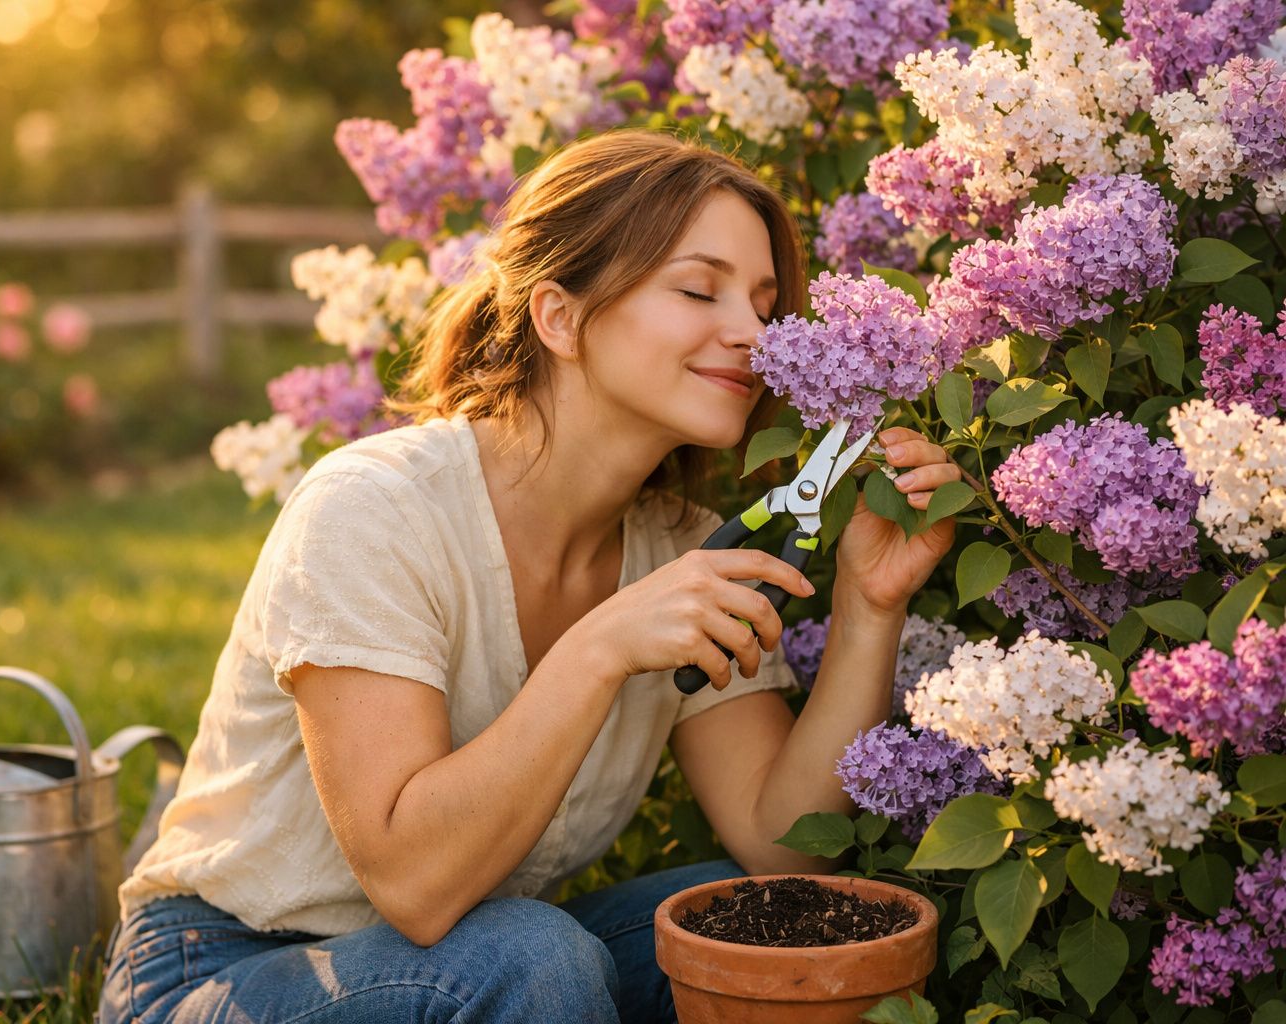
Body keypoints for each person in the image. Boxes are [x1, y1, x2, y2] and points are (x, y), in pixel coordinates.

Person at [99, 128, 961, 1024]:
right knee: (532, 956)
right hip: (227, 972)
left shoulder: (682, 548)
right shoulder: (372, 509)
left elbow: (788, 848)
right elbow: (417, 885)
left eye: (763, 302)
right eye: (699, 289)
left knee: (766, 924)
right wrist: (599, 648)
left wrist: (870, 603)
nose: (752, 334)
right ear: (558, 317)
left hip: (483, 965)